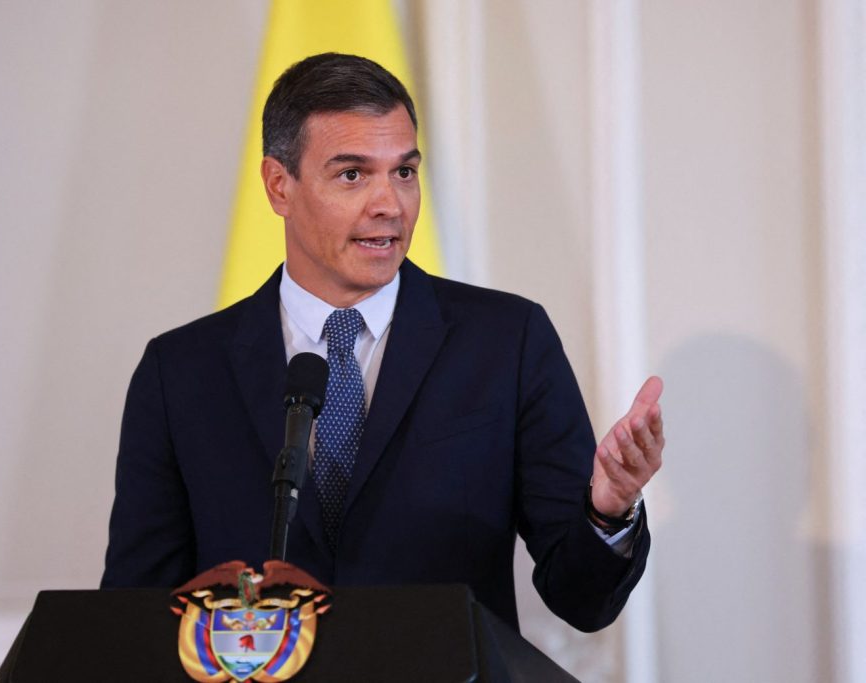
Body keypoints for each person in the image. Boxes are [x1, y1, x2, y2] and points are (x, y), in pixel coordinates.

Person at [101, 53, 664, 631]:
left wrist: (607, 510)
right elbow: (132, 615)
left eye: (404, 172)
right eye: (352, 174)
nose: (390, 205)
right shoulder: (181, 372)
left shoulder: (508, 343)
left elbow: (582, 601)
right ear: (278, 185)